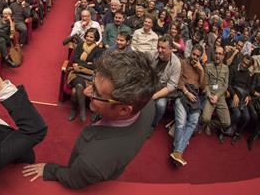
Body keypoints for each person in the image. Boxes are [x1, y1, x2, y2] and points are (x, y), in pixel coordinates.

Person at [22, 50, 158, 189]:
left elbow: (72, 179)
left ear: (123, 110)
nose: (86, 92)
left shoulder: (91, 163)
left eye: (96, 93)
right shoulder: (148, 104)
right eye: (92, 83)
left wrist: (50, 169)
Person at [170, 45, 205, 166]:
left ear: (200, 57)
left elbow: (204, 87)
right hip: (182, 92)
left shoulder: (200, 68)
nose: (194, 57)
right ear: (190, 53)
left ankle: (177, 151)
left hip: (194, 95)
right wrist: (186, 92)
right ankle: (178, 152)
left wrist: (201, 71)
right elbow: (177, 80)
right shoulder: (183, 62)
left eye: (197, 56)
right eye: (193, 54)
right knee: (181, 122)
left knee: (193, 122)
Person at [65, 28, 104, 122]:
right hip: (75, 73)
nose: (88, 38)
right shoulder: (80, 46)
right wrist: (88, 64)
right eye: (87, 36)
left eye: (91, 37)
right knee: (78, 83)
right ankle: (82, 111)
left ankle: (74, 110)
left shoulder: (98, 50)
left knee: (75, 91)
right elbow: (75, 60)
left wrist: (81, 64)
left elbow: (95, 66)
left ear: (95, 39)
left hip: (88, 76)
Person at [150, 35, 182, 127]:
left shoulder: (176, 63)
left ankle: (153, 124)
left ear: (171, 49)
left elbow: (171, 86)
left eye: (163, 48)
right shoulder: (153, 54)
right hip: (150, 86)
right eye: (158, 47)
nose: (159, 50)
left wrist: (154, 96)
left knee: (161, 105)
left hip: (162, 91)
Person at [201, 46, 230, 136]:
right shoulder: (208, 66)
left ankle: (210, 125)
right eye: (216, 53)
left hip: (220, 97)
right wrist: (210, 95)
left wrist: (217, 96)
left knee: (227, 123)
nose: (217, 56)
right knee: (205, 118)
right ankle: (206, 123)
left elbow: (225, 85)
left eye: (220, 54)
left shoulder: (226, 68)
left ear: (223, 56)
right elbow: (205, 85)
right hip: (210, 96)